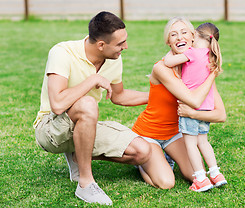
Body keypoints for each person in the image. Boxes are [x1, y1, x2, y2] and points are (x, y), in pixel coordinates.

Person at [33, 11, 151, 205]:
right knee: (88, 103)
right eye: (120, 44)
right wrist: (93, 80)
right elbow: (57, 105)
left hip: (83, 123)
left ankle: (77, 156)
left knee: (142, 152)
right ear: (101, 45)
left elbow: (119, 96)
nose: (126, 47)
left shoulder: (113, 59)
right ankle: (85, 184)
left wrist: (159, 98)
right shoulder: (62, 52)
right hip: (50, 129)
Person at [132, 17, 226, 190]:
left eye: (184, 33)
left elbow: (221, 115)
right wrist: (213, 74)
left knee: (197, 174)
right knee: (167, 183)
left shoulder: (200, 70)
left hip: (174, 134)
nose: (179, 37)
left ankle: (163, 156)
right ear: (168, 41)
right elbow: (194, 100)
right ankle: (141, 162)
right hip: (149, 133)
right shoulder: (161, 68)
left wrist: (194, 114)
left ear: (193, 37)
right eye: (173, 34)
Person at [163, 22, 227, 192]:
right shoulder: (211, 56)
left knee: (190, 144)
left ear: (196, 36)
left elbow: (168, 62)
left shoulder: (192, 52)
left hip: (190, 107)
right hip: (206, 108)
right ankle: (215, 173)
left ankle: (200, 178)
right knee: (203, 142)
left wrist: (171, 49)